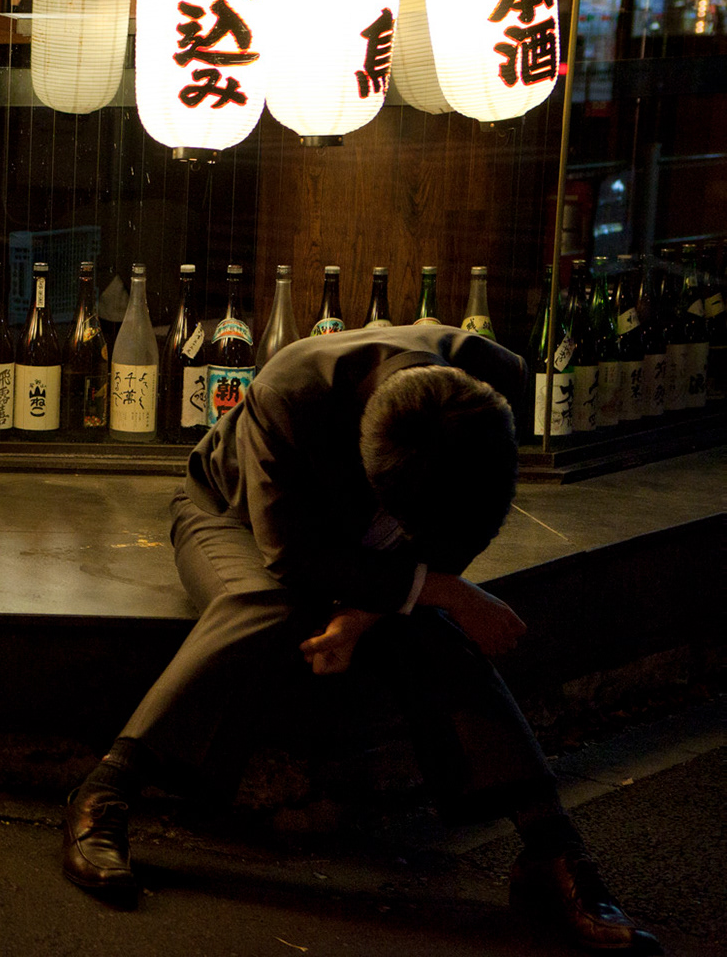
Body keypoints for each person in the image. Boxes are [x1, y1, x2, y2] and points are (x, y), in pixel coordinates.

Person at [63, 325, 661, 954]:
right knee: (265, 603)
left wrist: (366, 612)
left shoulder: (489, 387)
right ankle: (107, 788)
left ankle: (552, 850)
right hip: (235, 514)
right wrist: (444, 590)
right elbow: (291, 554)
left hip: (375, 550)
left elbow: (458, 533)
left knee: (431, 629)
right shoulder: (291, 391)